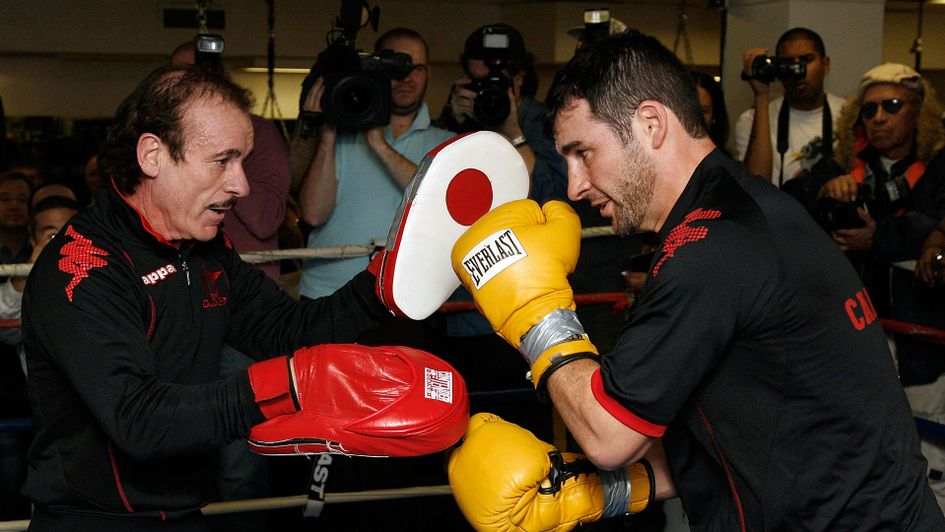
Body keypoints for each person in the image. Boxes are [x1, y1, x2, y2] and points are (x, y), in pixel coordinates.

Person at [447, 30, 944, 530]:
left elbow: (609, 434)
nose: (575, 185)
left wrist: (535, 312)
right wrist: (592, 495)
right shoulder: (733, 213)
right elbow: (735, 431)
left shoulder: (714, 246)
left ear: (650, 123)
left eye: (584, 153)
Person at [18, 63, 456, 531]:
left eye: (242, 161)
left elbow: (290, 331)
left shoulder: (205, 249)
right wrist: (287, 385)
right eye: (222, 160)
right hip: (92, 522)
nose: (241, 184)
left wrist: (385, 279)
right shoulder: (83, 269)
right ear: (152, 155)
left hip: (183, 511)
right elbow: (139, 419)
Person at [169, 38, 294, 531]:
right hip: (177, 310)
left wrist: (221, 158)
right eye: (175, 76)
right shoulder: (161, 145)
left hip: (242, 316)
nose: (183, 86)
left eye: (196, 75)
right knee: (179, 446)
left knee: (241, 458)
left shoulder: (257, 134)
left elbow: (265, 219)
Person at [294, 27, 453, 305]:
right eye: (395, 67)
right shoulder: (340, 137)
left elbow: (437, 202)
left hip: (405, 301)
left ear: (428, 72)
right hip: (327, 294)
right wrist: (328, 132)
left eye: (415, 68)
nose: (405, 77)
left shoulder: (448, 144)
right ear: (374, 69)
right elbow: (314, 215)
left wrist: (378, 144)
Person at [435, 23, 567, 205]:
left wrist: (514, 133)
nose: (489, 93)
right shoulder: (465, 122)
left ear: (519, 79)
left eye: (496, 82)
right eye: (479, 83)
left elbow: (556, 198)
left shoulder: (546, 122)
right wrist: (454, 121)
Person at [734, 27, 846, 187]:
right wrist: (761, 96)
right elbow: (754, 190)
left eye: (806, 60)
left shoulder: (849, 115)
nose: (798, 70)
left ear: (825, 64)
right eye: (788, 63)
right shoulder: (752, 120)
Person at [691, 70, 730, 156]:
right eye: (690, 109)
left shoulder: (723, 166)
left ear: (714, 117)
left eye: (704, 111)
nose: (697, 117)